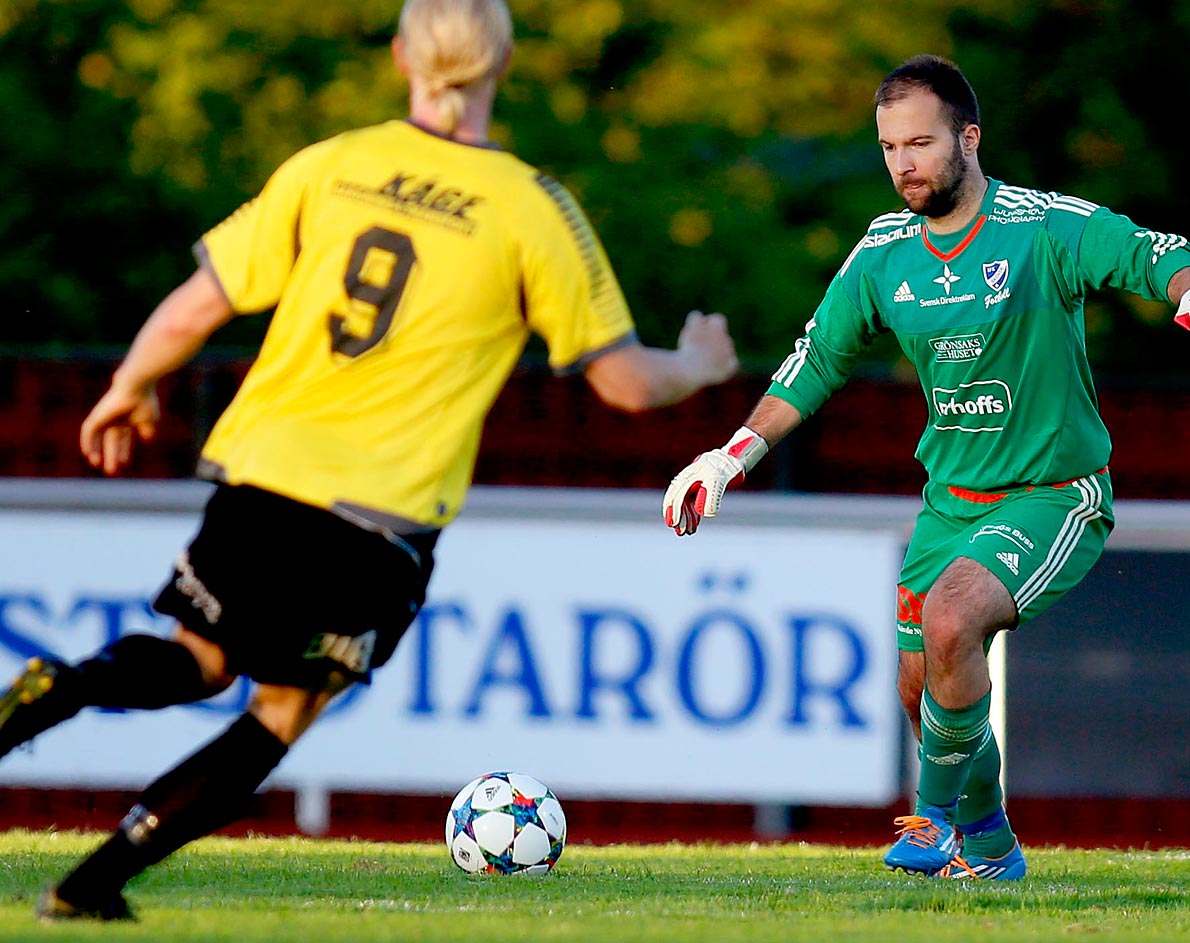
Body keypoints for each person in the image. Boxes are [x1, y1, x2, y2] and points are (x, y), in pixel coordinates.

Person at [0, 0, 737, 921]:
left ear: (400, 58)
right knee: (278, 710)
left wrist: (130, 384)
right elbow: (625, 382)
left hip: (260, 476)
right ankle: (88, 884)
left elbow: (198, 303)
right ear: (503, 62)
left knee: (196, 655)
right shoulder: (529, 205)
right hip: (375, 518)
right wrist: (700, 366)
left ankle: (50, 692)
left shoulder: (331, 165)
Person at [662, 54, 1190, 881]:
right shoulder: (884, 252)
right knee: (922, 689)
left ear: (969, 137)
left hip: (1051, 494)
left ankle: (935, 823)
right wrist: (731, 454)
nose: (904, 164)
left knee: (954, 619)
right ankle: (990, 849)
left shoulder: (1037, 227)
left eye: (920, 142)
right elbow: (815, 360)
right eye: (888, 147)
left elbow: (1148, 250)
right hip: (949, 503)